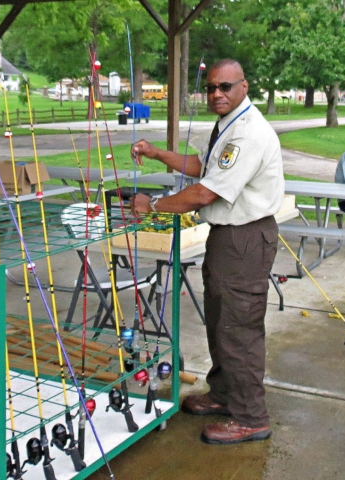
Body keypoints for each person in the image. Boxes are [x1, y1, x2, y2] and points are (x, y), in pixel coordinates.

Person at [130, 59, 284, 445]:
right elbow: (203, 167)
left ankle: (250, 417)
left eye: (226, 86)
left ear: (244, 87)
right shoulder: (228, 123)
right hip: (227, 235)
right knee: (220, 320)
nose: (217, 93)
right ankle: (223, 393)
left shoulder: (248, 133)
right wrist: (156, 153)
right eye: (212, 87)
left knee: (239, 328)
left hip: (245, 239)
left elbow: (204, 193)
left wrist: (154, 207)